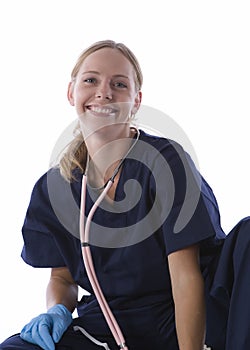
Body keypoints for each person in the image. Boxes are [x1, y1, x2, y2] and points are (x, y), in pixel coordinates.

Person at [0, 39, 250, 350]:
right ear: (71, 92)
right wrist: (58, 309)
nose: (104, 92)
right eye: (90, 80)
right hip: (106, 325)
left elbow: (185, 277)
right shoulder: (55, 189)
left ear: (135, 101)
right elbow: (62, 280)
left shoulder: (165, 162)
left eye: (119, 84)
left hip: (179, 317)